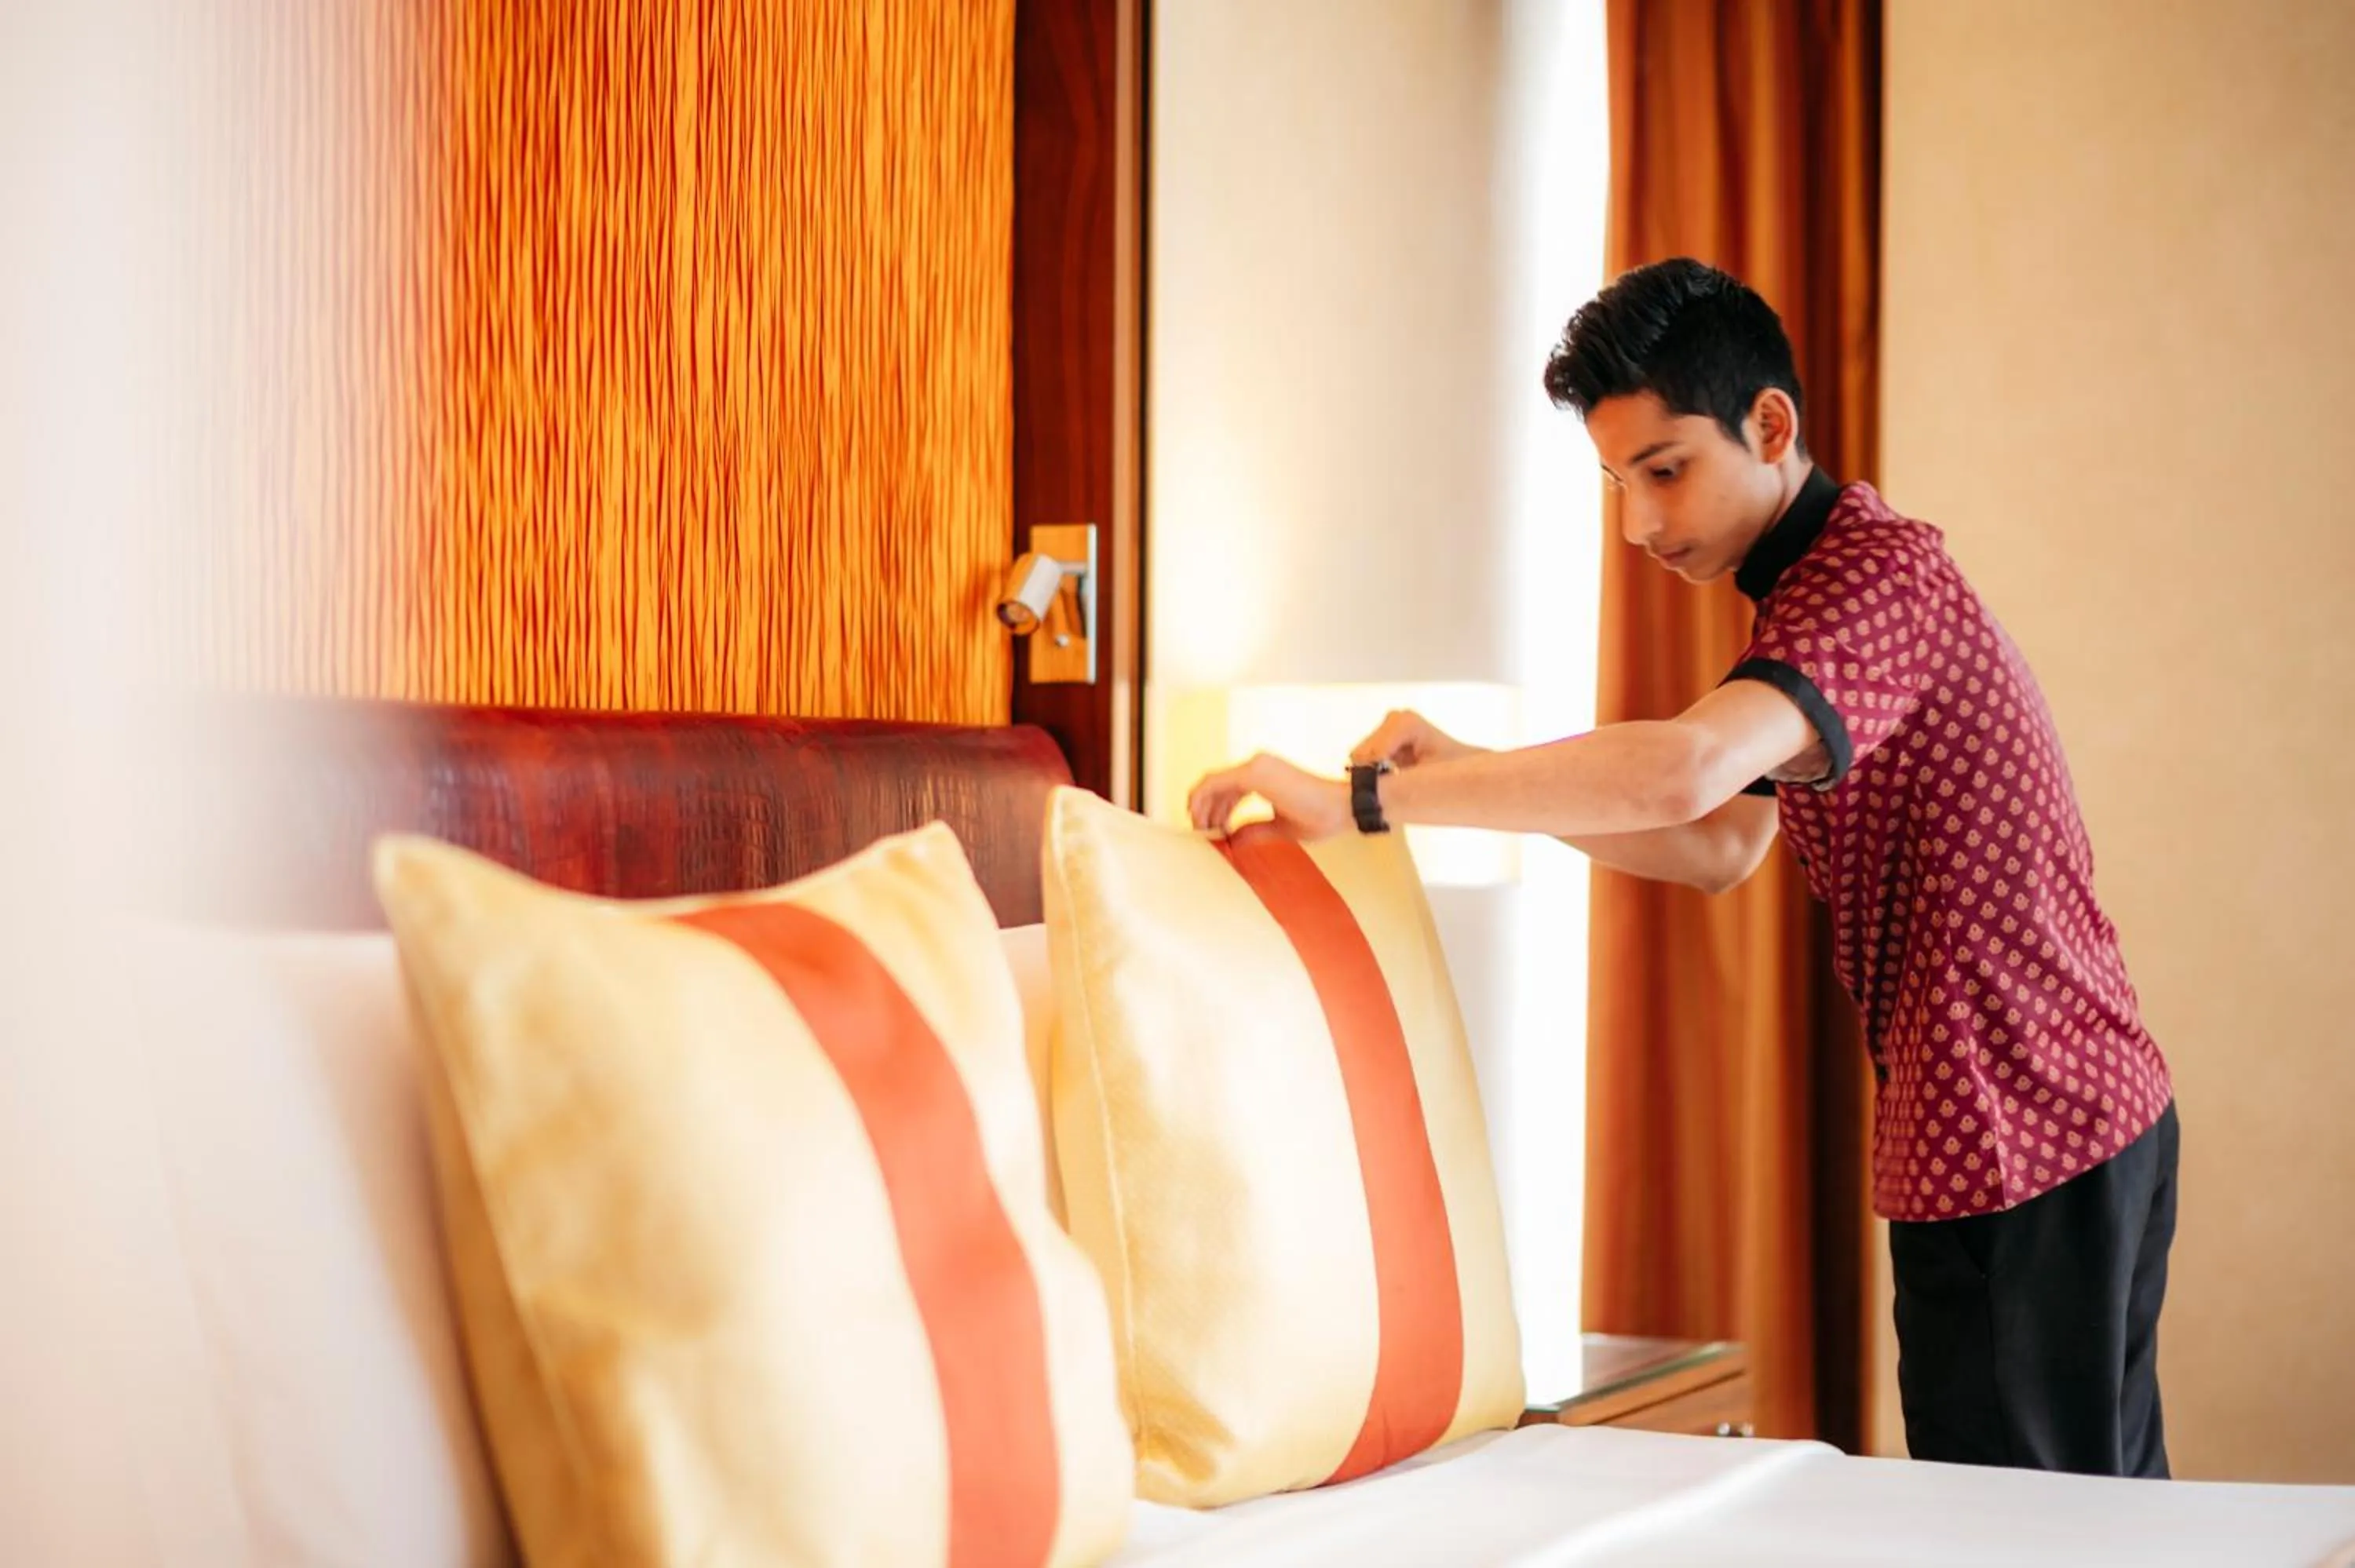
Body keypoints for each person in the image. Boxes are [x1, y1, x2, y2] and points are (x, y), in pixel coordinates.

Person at [1186, 257, 2178, 1479]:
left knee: (2031, 1531)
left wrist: (1368, 800)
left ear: (1771, 425)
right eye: (1616, 482)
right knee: (2072, 1517)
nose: (1641, 524)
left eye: (1664, 471)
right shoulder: (1810, 598)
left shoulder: (1872, 580)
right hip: (2031, 1114)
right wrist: (1473, 773)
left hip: (2026, 1120)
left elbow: (1683, 774)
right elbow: (1716, 843)